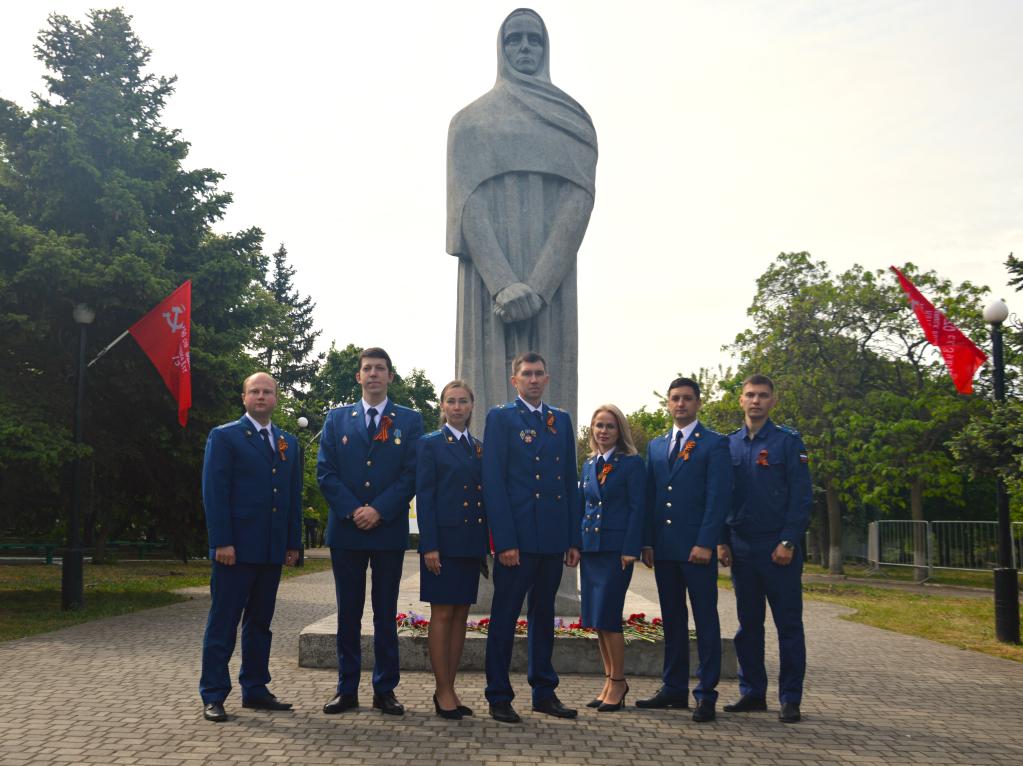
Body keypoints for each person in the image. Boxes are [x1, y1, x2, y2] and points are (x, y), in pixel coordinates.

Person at [447, 7, 598, 431]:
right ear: (501, 47)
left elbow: (580, 199)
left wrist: (538, 287)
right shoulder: (470, 122)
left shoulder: (573, 120)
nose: (526, 48)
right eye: (515, 39)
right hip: (489, 281)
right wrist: (504, 283)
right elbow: (466, 203)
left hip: (550, 283)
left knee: (554, 401)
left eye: (535, 40)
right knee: (484, 388)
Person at [317, 347, 423, 716]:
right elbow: (325, 473)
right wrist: (353, 510)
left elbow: (412, 474)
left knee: (384, 612)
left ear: (391, 376)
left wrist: (378, 509)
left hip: (387, 530)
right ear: (358, 377)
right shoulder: (336, 419)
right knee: (348, 612)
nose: (374, 374)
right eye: (367, 369)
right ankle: (346, 689)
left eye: (380, 368)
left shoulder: (409, 420)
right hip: (346, 532)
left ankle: (385, 689)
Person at [482, 351, 580, 723]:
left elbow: (569, 483)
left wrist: (573, 539)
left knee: (544, 617)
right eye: (527, 374)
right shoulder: (502, 418)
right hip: (517, 543)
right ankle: (499, 695)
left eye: (539, 373)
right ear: (515, 380)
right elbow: (494, 482)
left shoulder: (561, 420)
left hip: (552, 539)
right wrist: (504, 541)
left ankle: (543, 691)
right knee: (505, 618)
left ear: (548, 378)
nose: (534, 379)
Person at [199, 372, 302, 722]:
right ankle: (213, 694)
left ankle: (255, 689)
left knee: (260, 624)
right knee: (223, 623)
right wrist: (221, 542)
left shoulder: (288, 442)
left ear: (276, 398)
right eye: (254, 391)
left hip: (271, 551)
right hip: (236, 551)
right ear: (244, 398)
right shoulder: (225, 437)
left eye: (267, 391)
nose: (261, 396)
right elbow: (215, 494)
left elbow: (290, 498)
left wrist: (292, 543)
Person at [718, 374, 812, 724]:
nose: (755, 401)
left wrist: (788, 541)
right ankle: (752, 692)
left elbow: (801, 499)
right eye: (750, 395)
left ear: (773, 401)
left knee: (788, 626)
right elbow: (723, 498)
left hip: (779, 549)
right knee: (748, 625)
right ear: (740, 401)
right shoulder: (728, 445)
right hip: (742, 548)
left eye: (763, 396)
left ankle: (790, 698)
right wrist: (722, 540)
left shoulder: (788, 442)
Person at [637, 377, 731, 723]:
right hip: (664, 550)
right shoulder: (658, 446)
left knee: (705, 621)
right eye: (675, 399)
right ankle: (673, 688)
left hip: (697, 550)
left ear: (698, 403)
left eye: (687, 399)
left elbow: (718, 498)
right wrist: (647, 541)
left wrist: (706, 542)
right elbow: (651, 496)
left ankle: (706, 694)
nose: (680, 404)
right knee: (673, 620)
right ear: (668, 403)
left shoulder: (714, 444)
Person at [415, 380, 489, 720]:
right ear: (442, 407)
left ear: (471, 406)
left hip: (469, 543)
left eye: (463, 401)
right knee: (442, 613)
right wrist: (429, 545)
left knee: (461, 615)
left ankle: (452, 686)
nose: (457, 407)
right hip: (442, 545)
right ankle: (441, 689)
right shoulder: (430, 444)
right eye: (451, 401)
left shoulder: (478, 446)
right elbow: (425, 498)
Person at [577, 404, 645, 712]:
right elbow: (584, 507)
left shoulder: (631, 463)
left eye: (610, 426)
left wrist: (631, 548)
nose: (603, 431)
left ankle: (619, 682)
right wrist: (576, 544)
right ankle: (608, 680)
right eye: (598, 425)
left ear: (620, 431)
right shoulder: (589, 463)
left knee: (610, 617)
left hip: (617, 551)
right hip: (593, 548)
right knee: (598, 620)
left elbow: (637, 508)